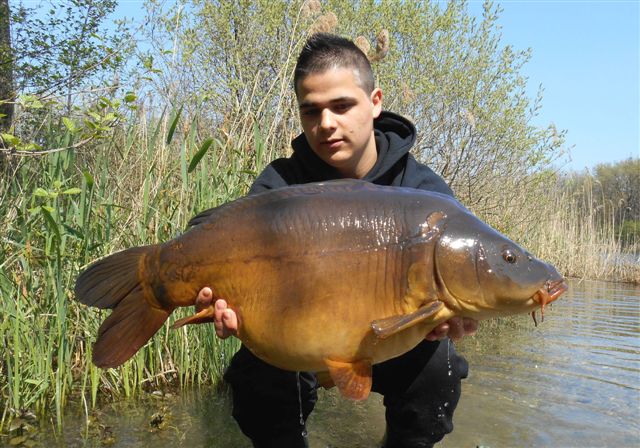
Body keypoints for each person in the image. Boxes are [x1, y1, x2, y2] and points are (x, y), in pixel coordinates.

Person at [196, 33, 477, 448]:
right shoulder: (280, 187)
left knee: (441, 368)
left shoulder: (422, 192)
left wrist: (459, 319)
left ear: (375, 101)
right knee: (256, 378)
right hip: (300, 346)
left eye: (342, 106)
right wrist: (228, 309)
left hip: (389, 341)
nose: (326, 123)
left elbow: (459, 294)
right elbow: (232, 275)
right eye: (311, 111)